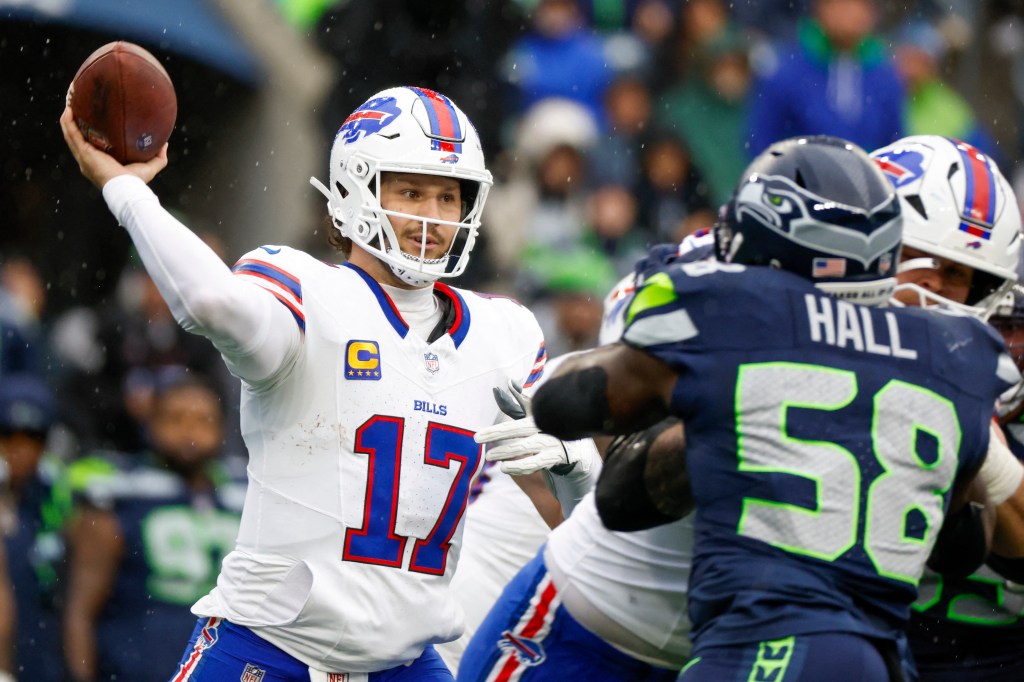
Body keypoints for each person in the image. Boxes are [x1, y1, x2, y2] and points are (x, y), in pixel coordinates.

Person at [60, 85, 548, 680]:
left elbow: (576, 511)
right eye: (411, 191)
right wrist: (128, 191)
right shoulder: (305, 287)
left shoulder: (506, 333)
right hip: (267, 649)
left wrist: (576, 475)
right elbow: (211, 302)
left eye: (449, 196)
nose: (432, 216)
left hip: (404, 665)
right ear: (356, 188)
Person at [527, 135, 1019, 681]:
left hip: (776, 641)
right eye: (919, 264)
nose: (937, 296)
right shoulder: (729, 286)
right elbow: (622, 485)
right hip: (611, 612)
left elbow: (966, 546)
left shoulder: (951, 364)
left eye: (961, 279)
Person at [871, 135, 1024, 680]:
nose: (927, 288)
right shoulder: (804, 328)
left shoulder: (991, 380)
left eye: (954, 273)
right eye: (913, 257)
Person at [63, 374, 245, 682]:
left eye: (203, 420)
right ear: (152, 424)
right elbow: (80, 611)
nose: (190, 431)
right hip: (135, 665)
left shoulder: (244, 495)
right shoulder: (119, 494)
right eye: (176, 419)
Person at [0, 373, 70, 682]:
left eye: (32, 438)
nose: (19, 450)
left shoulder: (58, 495)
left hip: (44, 650)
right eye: (8, 436)